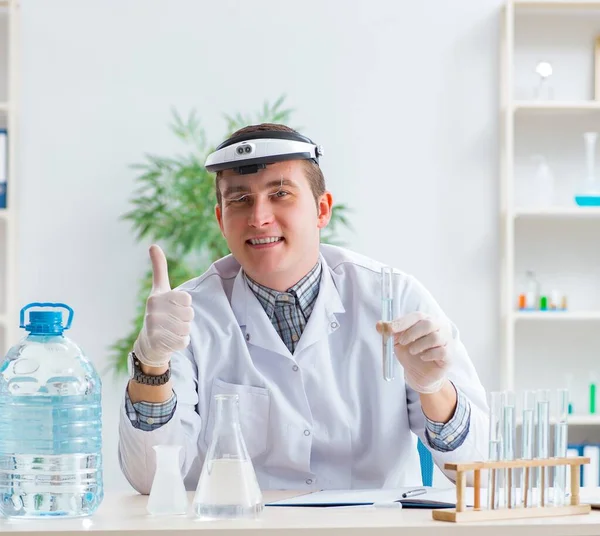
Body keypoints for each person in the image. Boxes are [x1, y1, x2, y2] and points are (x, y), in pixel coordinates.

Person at [118, 123, 489, 494]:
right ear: (220, 220)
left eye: (280, 193)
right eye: (239, 200)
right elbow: (150, 481)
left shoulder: (395, 297)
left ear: (322, 209)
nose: (259, 217)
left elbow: (475, 470)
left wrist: (434, 387)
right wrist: (151, 366)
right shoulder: (186, 316)